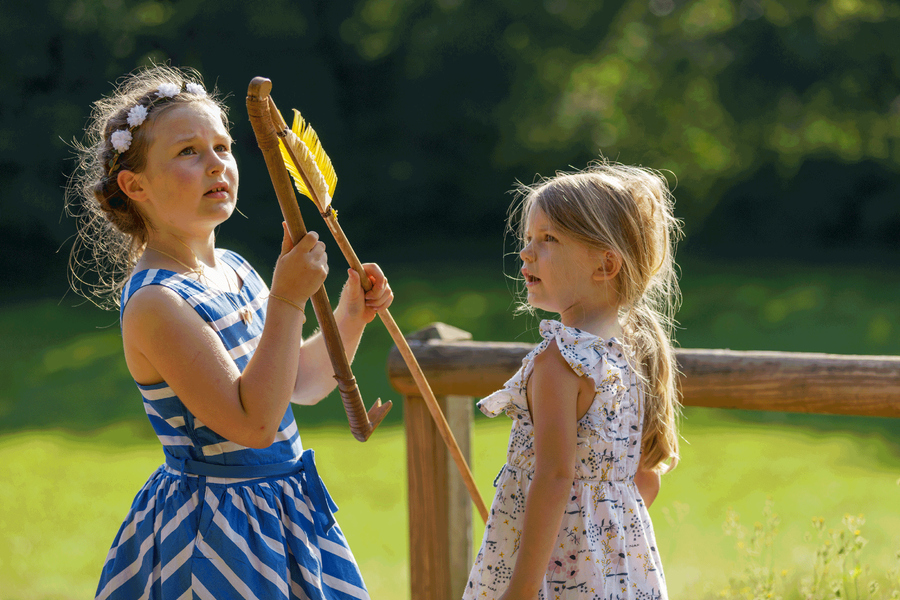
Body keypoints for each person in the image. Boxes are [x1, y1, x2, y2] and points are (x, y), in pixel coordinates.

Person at [66, 64, 393, 600]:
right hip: (216, 531)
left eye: (223, 146)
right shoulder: (156, 302)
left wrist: (351, 313)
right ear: (136, 185)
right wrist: (287, 298)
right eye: (188, 152)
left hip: (282, 515)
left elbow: (295, 387)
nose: (216, 163)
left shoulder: (236, 268)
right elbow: (254, 423)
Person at [463, 161, 682, 600]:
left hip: (553, 579)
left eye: (548, 239)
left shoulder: (559, 363)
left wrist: (522, 588)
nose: (526, 253)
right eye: (527, 239)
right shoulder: (633, 352)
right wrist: (604, 532)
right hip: (619, 573)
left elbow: (555, 476)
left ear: (605, 264)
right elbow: (645, 482)